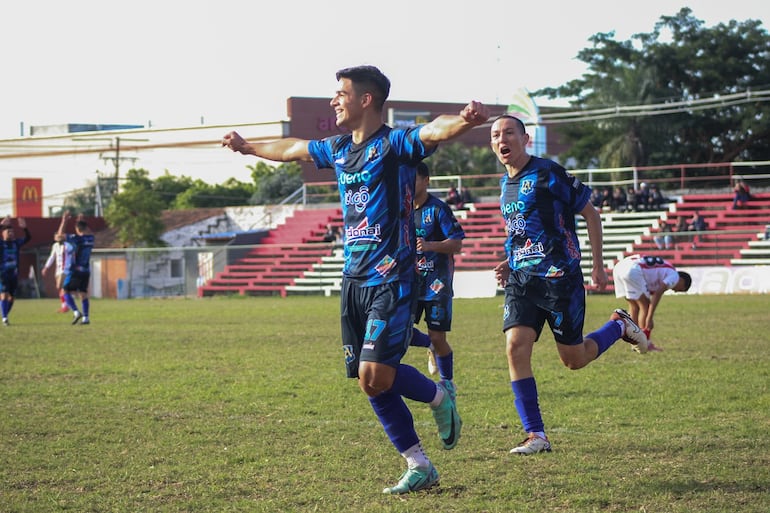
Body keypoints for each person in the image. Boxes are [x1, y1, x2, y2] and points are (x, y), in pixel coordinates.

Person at [222, 65, 489, 494]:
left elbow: (433, 132)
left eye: (340, 93)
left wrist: (464, 120)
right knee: (369, 382)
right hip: (353, 281)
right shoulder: (340, 148)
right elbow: (293, 148)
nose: (334, 100)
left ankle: (440, 398)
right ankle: (419, 464)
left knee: (375, 372)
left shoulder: (395, 144)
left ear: (366, 99)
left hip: (392, 278)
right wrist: (249, 147)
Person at [489, 115, 649, 455]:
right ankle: (536, 435)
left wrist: (597, 266)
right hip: (522, 281)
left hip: (561, 279)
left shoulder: (548, 173)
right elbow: (518, 231)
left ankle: (618, 326)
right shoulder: (505, 184)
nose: (502, 140)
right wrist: (508, 260)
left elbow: (590, 213)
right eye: (495, 135)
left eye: (509, 133)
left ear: (525, 138)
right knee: (515, 346)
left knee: (574, 359)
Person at [408, 162, 465, 389]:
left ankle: (447, 383)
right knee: (399, 330)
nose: (407, 185)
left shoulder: (439, 209)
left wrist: (430, 245)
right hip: (409, 283)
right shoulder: (401, 210)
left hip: (436, 285)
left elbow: (457, 244)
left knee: (439, 337)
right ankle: (428, 346)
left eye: (413, 179)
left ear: (426, 181)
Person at [613, 254, 692, 348]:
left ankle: (634, 341)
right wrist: (649, 318)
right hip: (633, 269)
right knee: (645, 306)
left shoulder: (667, 269)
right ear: (682, 281)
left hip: (620, 267)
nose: (675, 291)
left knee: (634, 306)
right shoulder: (675, 276)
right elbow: (658, 293)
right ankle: (644, 343)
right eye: (681, 289)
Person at [57, 212, 95, 325]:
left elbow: (59, 235)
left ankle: (76, 312)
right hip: (86, 271)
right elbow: (88, 230)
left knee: (65, 291)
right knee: (83, 293)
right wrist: (82, 221)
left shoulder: (76, 239)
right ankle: (86, 318)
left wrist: (64, 220)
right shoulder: (91, 238)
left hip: (76, 270)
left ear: (77, 229)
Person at [0, 217, 30, 326]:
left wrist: (25, 228)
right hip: (2, 274)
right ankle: (4, 318)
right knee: (4, 295)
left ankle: (5, 315)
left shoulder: (16, 243)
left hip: (14, 274)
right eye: (8, 232)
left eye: (12, 232)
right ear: (2, 234)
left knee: (12, 297)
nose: (11, 234)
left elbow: (28, 238)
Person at [41, 233, 73, 312]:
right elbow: (52, 257)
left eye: (60, 236)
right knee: (61, 288)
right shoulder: (55, 246)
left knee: (60, 286)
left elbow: (73, 253)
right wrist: (46, 267)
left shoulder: (67, 245)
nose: (58, 237)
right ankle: (65, 305)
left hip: (65, 269)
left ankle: (66, 306)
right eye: (57, 236)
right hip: (58, 270)